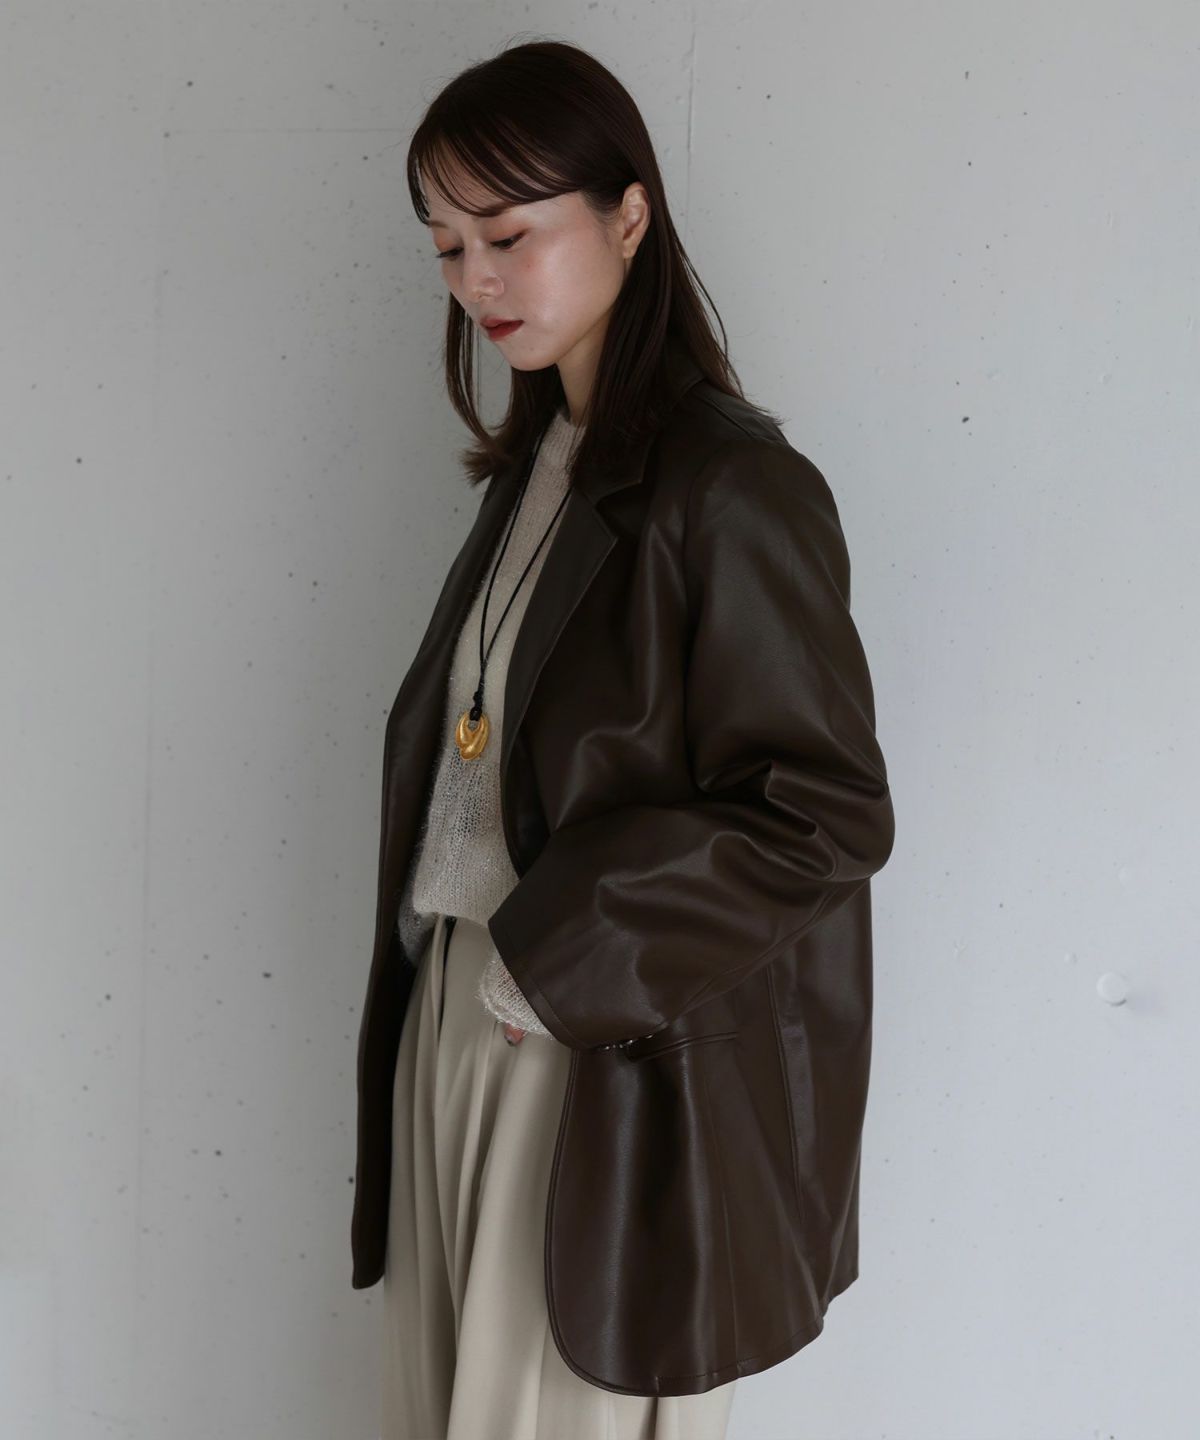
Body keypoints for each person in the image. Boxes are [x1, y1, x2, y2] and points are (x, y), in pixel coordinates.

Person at [351, 39, 896, 1440]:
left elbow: (823, 815)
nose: (475, 280)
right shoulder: (539, 470)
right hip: (458, 1025)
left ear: (630, 215)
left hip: (592, 1052)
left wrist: (555, 967)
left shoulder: (735, 488)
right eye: (447, 245)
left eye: (508, 234)